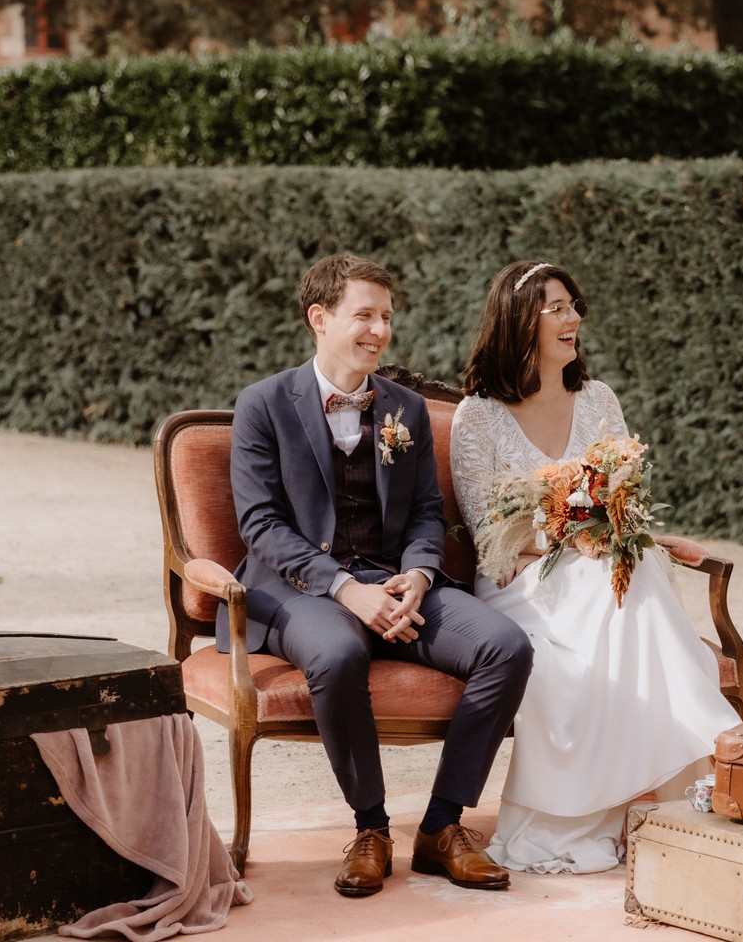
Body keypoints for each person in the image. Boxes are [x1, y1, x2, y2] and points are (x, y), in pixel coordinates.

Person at [226, 253, 533, 897]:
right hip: (301, 588)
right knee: (337, 654)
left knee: (505, 648)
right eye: (363, 314)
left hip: (397, 579)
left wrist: (419, 576)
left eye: (386, 316)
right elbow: (260, 526)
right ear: (319, 318)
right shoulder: (262, 404)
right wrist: (347, 589)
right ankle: (371, 830)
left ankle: (443, 828)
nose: (379, 329)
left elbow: (426, 512)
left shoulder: (406, 410)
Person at [448, 259, 741, 874]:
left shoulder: (599, 400)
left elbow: (622, 501)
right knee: (618, 580)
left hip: (600, 572)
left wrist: (624, 535)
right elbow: (488, 533)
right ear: (518, 320)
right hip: (518, 583)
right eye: (557, 307)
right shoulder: (478, 414)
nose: (574, 318)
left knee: (629, 574)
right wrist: (570, 535)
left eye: (573, 306)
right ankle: (699, 758)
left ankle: (678, 787)